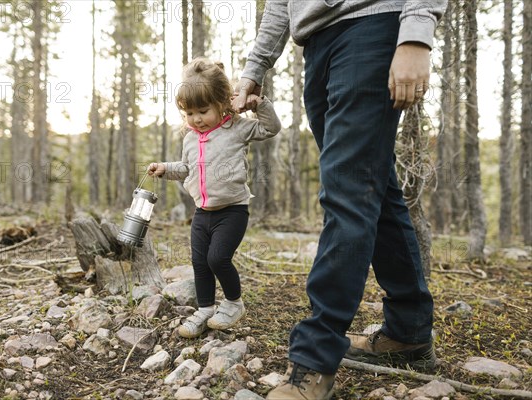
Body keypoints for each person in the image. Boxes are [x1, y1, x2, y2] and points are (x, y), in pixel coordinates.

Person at [232, 1, 447, 399]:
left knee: (346, 193)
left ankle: (314, 360)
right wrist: (254, 69)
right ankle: (409, 332)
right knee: (373, 189)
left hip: (374, 26)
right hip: (317, 45)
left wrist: (416, 32)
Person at [148, 58, 281, 339]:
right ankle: (206, 309)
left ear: (222, 102)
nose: (196, 119)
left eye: (203, 111)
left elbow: (270, 129)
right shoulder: (190, 139)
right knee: (200, 262)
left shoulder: (237, 128)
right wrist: (165, 169)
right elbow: (185, 169)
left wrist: (260, 105)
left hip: (232, 210)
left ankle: (234, 303)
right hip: (202, 213)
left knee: (218, 258)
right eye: (189, 113)